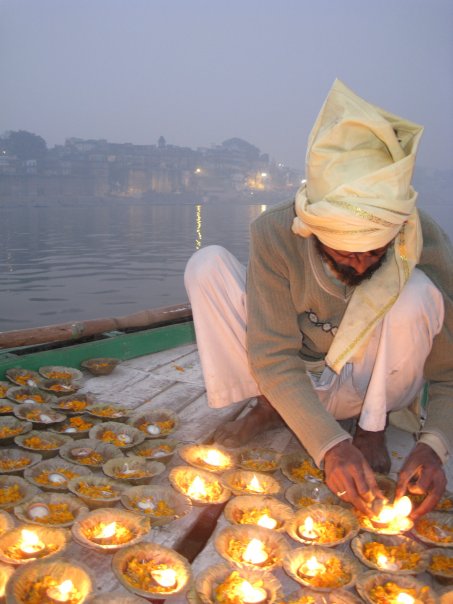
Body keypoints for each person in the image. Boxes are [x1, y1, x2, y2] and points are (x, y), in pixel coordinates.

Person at [184, 80, 453, 519]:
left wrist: (434, 446)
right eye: (347, 252)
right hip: (293, 378)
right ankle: (271, 405)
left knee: (416, 293)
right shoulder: (275, 232)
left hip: (374, 386)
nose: (363, 266)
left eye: (376, 252)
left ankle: (373, 428)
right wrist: (329, 446)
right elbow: (271, 356)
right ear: (313, 230)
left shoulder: (425, 239)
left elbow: (448, 374)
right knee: (207, 264)